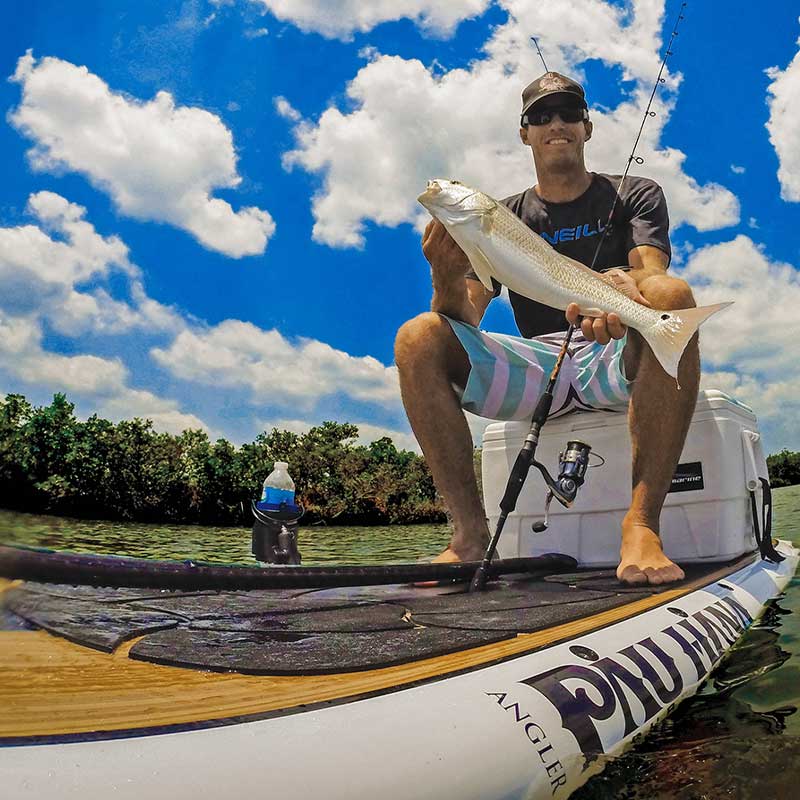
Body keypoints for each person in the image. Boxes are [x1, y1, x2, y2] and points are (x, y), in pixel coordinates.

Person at [395, 71, 700, 586]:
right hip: (539, 365)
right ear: (525, 133)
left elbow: (653, 271)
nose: (554, 123)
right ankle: (470, 536)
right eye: (540, 116)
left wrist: (628, 287)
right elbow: (465, 315)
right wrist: (444, 276)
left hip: (613, 346)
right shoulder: (500, 216)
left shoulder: (637, 192)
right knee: (418, 335)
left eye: (566, 113)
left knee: (670, 298)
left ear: (586, 126)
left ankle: (643, 523)